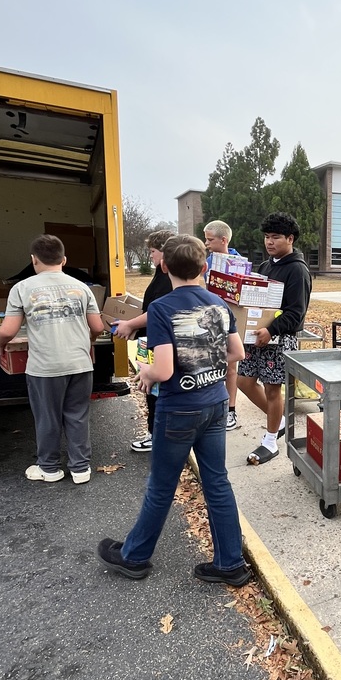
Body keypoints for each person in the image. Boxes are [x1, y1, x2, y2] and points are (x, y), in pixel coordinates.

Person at [97, 234, 251, 586]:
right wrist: (204, 363)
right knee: (217, 482)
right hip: (214, 405)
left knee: (161, 486)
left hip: (179, 410)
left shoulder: (164, 308)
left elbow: (164, 370)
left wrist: (145, 372)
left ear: (164, 266)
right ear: (203, 266)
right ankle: (230, 563)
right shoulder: (217, 303)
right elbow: (237, 353)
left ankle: (134, 557)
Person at [0, 234, 104, 484]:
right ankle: (80, 468)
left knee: (47, 416)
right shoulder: (82, 287)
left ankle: (50, 468)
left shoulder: (22, 288)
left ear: (34, 260)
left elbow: (8, 331)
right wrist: (90, 341)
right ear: (64, 260)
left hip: (44, 367)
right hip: (80, 363)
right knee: (77, 414)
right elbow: (97, 326)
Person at [237, 211, 312, 465]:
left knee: (272, 390)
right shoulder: (266, 265)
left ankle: (270, 442)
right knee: (243, 381)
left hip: (279, 339)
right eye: (267, 237)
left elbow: (296, 313)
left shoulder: (297, 270)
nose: (269, 242)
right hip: (255, 336)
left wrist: (272, 330)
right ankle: (277, 421)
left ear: (290, 239)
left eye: (276, 237)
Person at [111, 229, 175, 452]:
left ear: (165, 253)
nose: (151, 256)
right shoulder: (160, 274)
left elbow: (157, 312)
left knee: (156, 390)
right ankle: (154, 432)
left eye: (153, 251)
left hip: (159, 343)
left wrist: (131, 324)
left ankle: (157, 436)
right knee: (151, 391)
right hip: (149, 340)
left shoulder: (168, 278)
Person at [204, 220, 240, 432]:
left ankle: (231, 410)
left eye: (210, 239)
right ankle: (214, 407)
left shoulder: (239, 262)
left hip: (231, 321)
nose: (206, 243)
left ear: (223, 240)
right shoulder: (205, 262)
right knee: (211, 364)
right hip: (211, 320)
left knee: (231, 367)